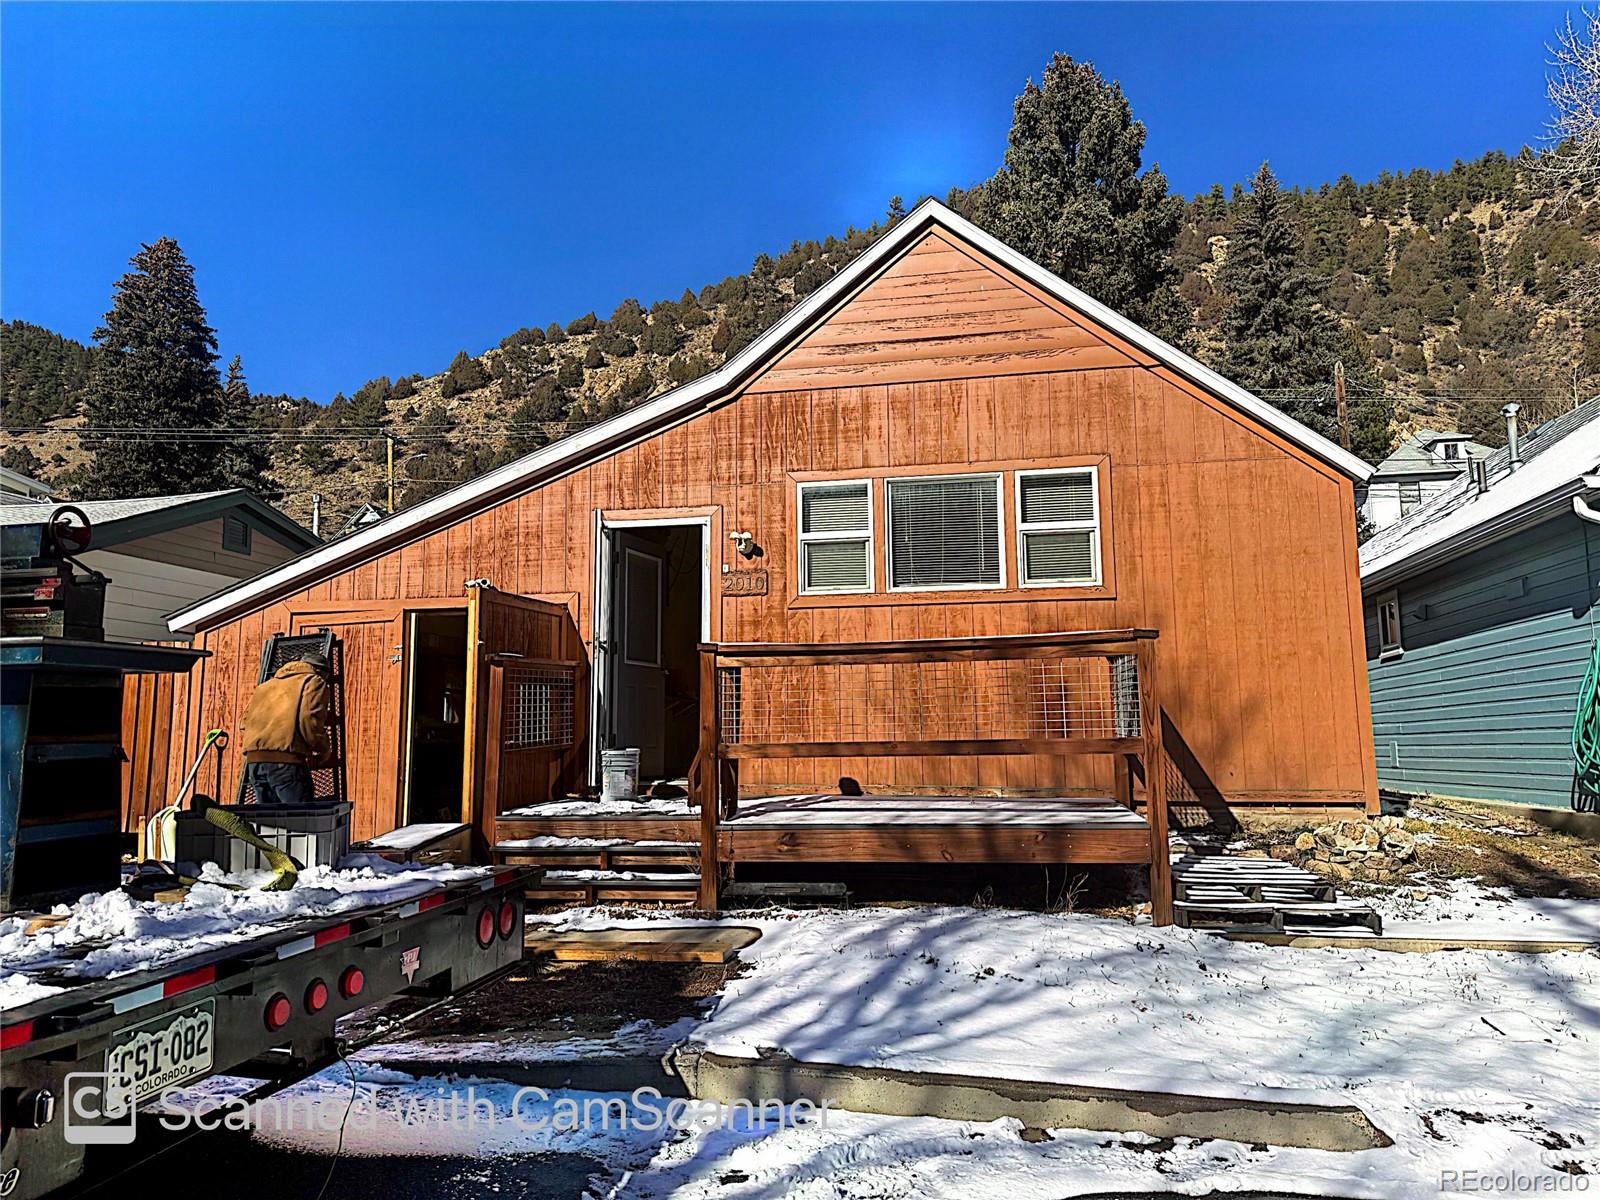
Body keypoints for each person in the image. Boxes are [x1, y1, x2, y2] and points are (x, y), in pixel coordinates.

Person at [239, 651, 333, 806]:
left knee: (270, 825)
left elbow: (244, 723)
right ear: (321, 671)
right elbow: (309, 721)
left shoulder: (265, 686)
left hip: (254, 763)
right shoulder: (314, 681)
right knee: (300, 822)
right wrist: (323, 750)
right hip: (286, 763)